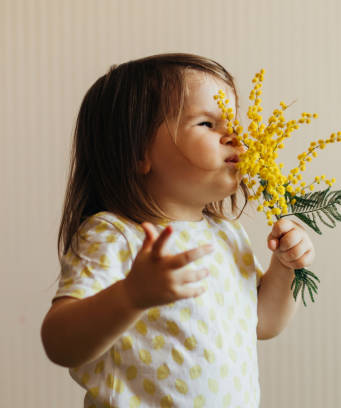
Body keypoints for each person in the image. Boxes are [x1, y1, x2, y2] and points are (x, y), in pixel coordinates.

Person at [40, 53, 315, 408]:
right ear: (140, 151)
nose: (234, 136)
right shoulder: (117, 235)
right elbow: (59, 342)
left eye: (232, 122)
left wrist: (285, 267)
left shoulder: (226, 235)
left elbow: (262, 323)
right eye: (207, 124)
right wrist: (130, 296)